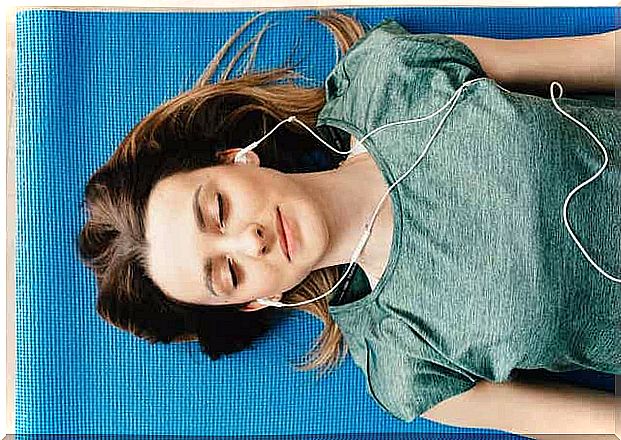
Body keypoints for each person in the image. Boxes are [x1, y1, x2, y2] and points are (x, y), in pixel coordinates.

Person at [78, 10, 619, 432]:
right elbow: (599, 426)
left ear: (235, 158)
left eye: (218, 209)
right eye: (227, 274)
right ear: (253, 301)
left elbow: (603, 57)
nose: (250, 240)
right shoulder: (401, 362)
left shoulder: (385, 76)